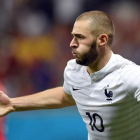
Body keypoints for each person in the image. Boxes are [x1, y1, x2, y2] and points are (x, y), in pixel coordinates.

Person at [0, 10, 140, 140]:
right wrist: (13, 104)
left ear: (102, 40)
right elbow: (65, 96)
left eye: (80, 37)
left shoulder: (128, 75)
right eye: (73, 37)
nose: (72, 43)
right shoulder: (74, 70)